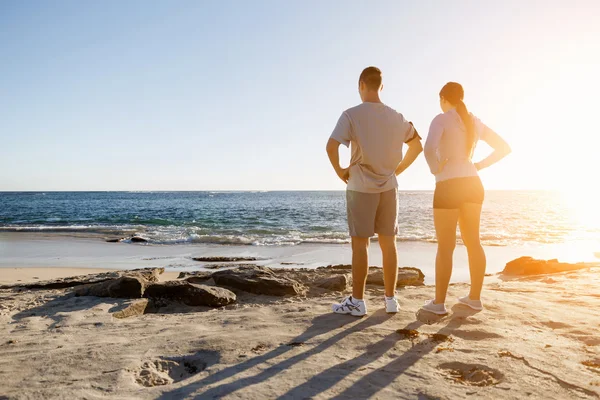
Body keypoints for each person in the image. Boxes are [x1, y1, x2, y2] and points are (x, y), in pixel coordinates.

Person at [326, 66, 423, 316]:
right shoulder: (397, 117)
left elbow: (331, 146)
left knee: (361, 245)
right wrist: (396, 171)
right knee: (389, 244)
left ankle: (357, 302)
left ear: (361, 85)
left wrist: (341, 171)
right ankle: (390, 300)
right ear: (381, 86)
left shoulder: (350, 115)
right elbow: (417, 146)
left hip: (360, 187)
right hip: (388, 187)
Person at [422, 82, 511, 315]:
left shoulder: (440, 119)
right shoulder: (474, 121)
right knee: (473, 242)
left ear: (443, 98)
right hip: (473, 184)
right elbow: (503, 147)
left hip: (449, 184)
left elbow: (428, 149)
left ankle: (439, 303)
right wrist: (478, 165)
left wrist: (435, 168)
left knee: (446, 246)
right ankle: (474, 298)